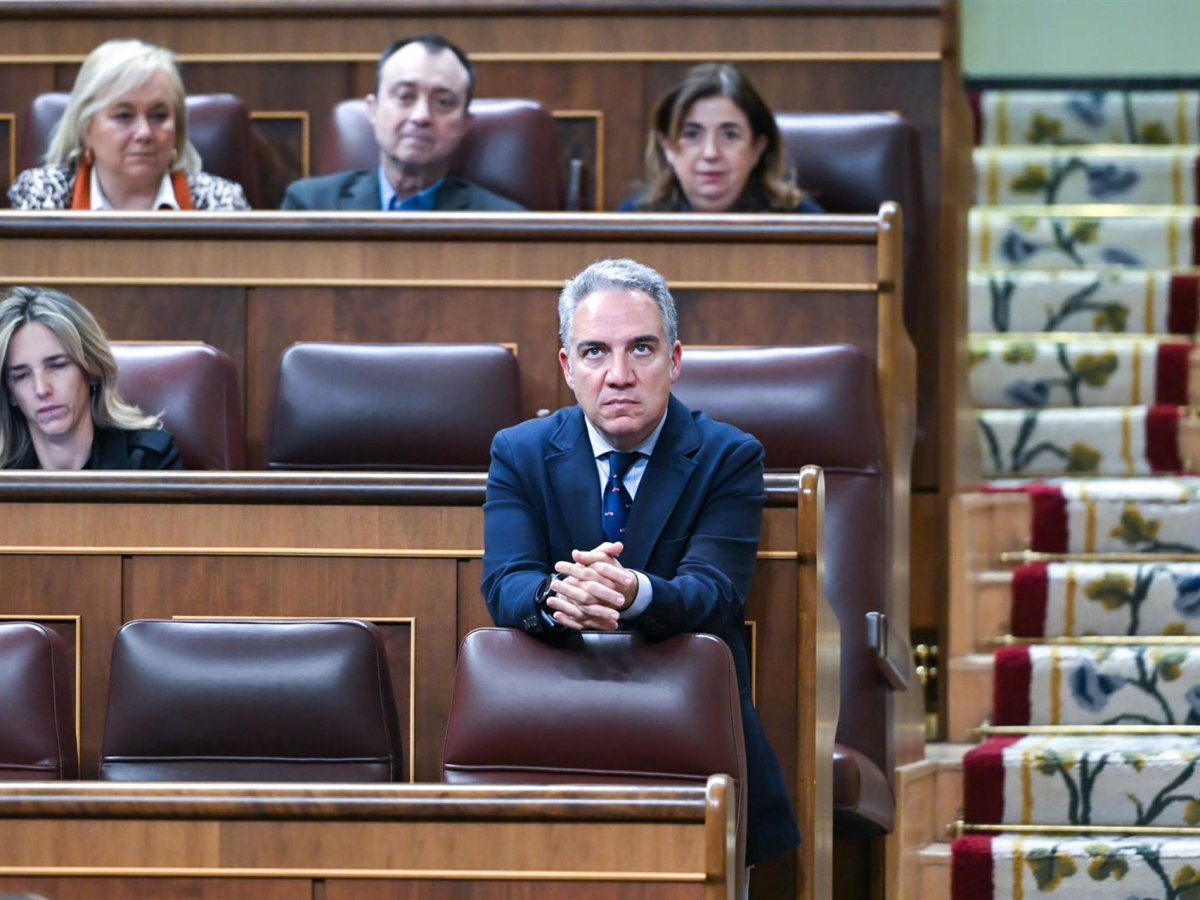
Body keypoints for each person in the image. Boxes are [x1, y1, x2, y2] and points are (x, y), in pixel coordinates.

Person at [481, 258, 800, 869]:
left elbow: (713, 592)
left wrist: (632, 592)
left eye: (642, 349)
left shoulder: (728, 456)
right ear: (567, 367)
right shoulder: (519, 452)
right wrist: (560, 596)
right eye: (595, 352)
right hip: (554, 713)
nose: (619, 375)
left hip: (688, 723)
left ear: (674, 360)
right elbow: (506, 582)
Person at [281, 34, 524, 212]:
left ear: (464, 124)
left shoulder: (502, 221)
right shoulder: (309, 205)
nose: (420, 116)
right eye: (405, 96)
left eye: (443, 102)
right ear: (373, 110)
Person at [7, 39, 250, 211]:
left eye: (158, 116)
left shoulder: (220, 203)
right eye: (124, 116)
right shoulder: (43, 196)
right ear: (86, 127)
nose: (144, 133)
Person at [0, 286, 182, 470]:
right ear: (10, 392)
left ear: (92, 371)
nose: (41, 389)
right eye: (21, 376)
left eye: (57, 365)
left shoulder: (147, 461)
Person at [619, 62, 821, 214]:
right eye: (692, 134)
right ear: (667, 147)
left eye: (730, 135)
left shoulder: (800, 221)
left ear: (757, 148)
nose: (711, 153)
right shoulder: (634, 219)